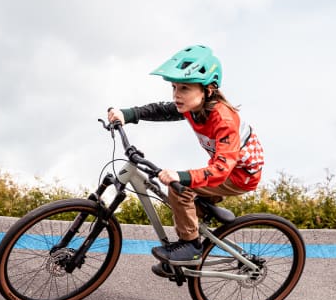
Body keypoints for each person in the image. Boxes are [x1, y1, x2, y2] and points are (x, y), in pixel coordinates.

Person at [107, 45, 264, 273]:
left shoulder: (225, 120)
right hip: (223, 167)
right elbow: (162, 110)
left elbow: (221, 169)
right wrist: (128, 114)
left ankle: (190, 248)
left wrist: (181, 177)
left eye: (184, 89)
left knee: (181, 190)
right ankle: (189, 239)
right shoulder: (193, 106)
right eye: (174, 87)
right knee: (182, 198)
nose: (176, 95)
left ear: (208, 90)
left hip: (239, 175)